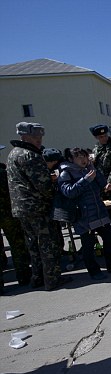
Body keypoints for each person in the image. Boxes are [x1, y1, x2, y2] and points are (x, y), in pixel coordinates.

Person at [6, 122, 71, 290]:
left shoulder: (13, 153)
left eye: (40, 137)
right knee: (48, 243)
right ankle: (52, 280)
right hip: (37, 208)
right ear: (24, 136)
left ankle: (38, 278)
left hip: (21, 209)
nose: (39, 140)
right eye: (35, 137)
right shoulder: (30, 155)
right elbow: (42, 185)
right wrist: (53, 187)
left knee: (33, 244)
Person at [58, 147, 111, 279]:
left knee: (108, 238)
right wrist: (85, 180)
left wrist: (95, 172)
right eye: (79, 157)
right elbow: (69, 192)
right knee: (88, 245)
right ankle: (94, 271)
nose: (83, 159)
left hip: (99, 212)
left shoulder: (89, 169)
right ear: (71, 159)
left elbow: (102, 184)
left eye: (84, 156)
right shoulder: (66, 173)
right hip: (84, 216)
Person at [0, 144, 32, 293]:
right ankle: (23, 275)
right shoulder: (3, 173)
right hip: (7, 214)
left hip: (7, 213)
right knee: (17, 244)